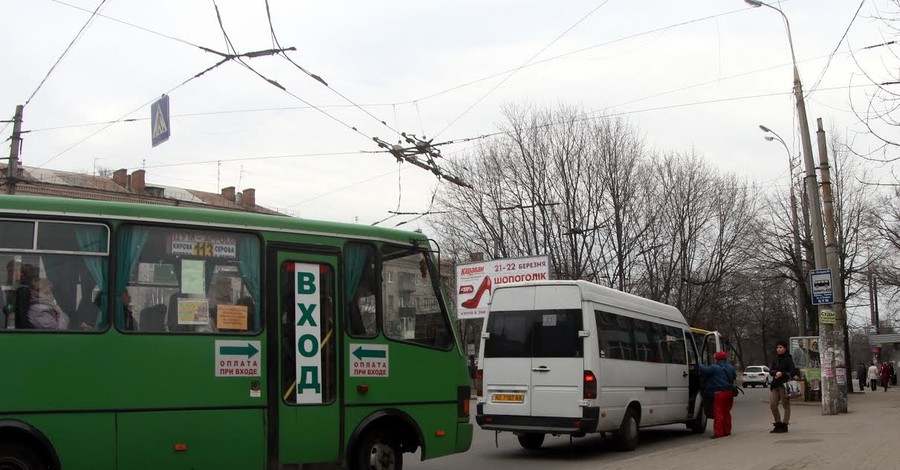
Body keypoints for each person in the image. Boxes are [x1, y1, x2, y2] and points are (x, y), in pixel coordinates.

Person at [698, 350, 737, 439]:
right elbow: (734, 377)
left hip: (719, 393)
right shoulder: (731, 367)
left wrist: (698, 363)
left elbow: (702, 370)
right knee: (727, 412)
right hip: (729, 393)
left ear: (717, 358)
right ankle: (727, 431)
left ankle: (719, 433)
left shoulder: (714, 367)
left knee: (718, 413)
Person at [768, 340, 799, 433]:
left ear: (785, 348)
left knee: (785, 404)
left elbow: (793, 371)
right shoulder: (775, 358)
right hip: (775, 385)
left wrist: (782, 374)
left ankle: (784, 424)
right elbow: (771, 371)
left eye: (781, 347)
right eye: (777, 347)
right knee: (773, 405)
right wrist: (775, 373)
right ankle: (777, 423)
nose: (779, 349)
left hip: (785, 385)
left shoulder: (788, 358)